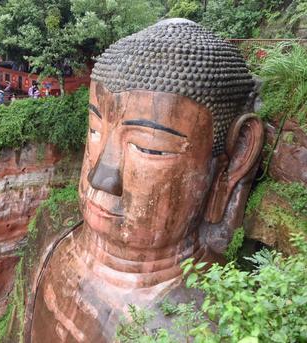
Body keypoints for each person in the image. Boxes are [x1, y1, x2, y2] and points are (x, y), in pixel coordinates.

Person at [30, 19, 261, 342]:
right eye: (94, 131)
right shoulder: (53, 239)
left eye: (148, 147)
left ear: (236, 158)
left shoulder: (210, 325)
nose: (102, 178)